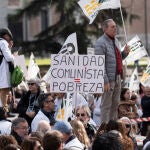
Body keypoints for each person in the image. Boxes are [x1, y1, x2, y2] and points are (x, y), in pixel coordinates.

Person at [95, 19, 130, 124]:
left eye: (115, 26)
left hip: (117, 77)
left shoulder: (116, 41)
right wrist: (104, 80)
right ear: (105, 29)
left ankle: (113, 128)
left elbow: (117, 59)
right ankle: (104, 130)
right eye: (112, 27)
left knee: (115, 105)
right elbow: (99, 63)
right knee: (106, 106)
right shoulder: (100, 42)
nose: (115, 28)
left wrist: (125, 53)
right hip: (108, 80)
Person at [0, 28, 14, 113]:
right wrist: (14, 55)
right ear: (5, 35)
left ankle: (2, 111)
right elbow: (8, 57)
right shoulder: (3, 42)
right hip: (3, 69)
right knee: (4, 90)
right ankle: (4, 112)